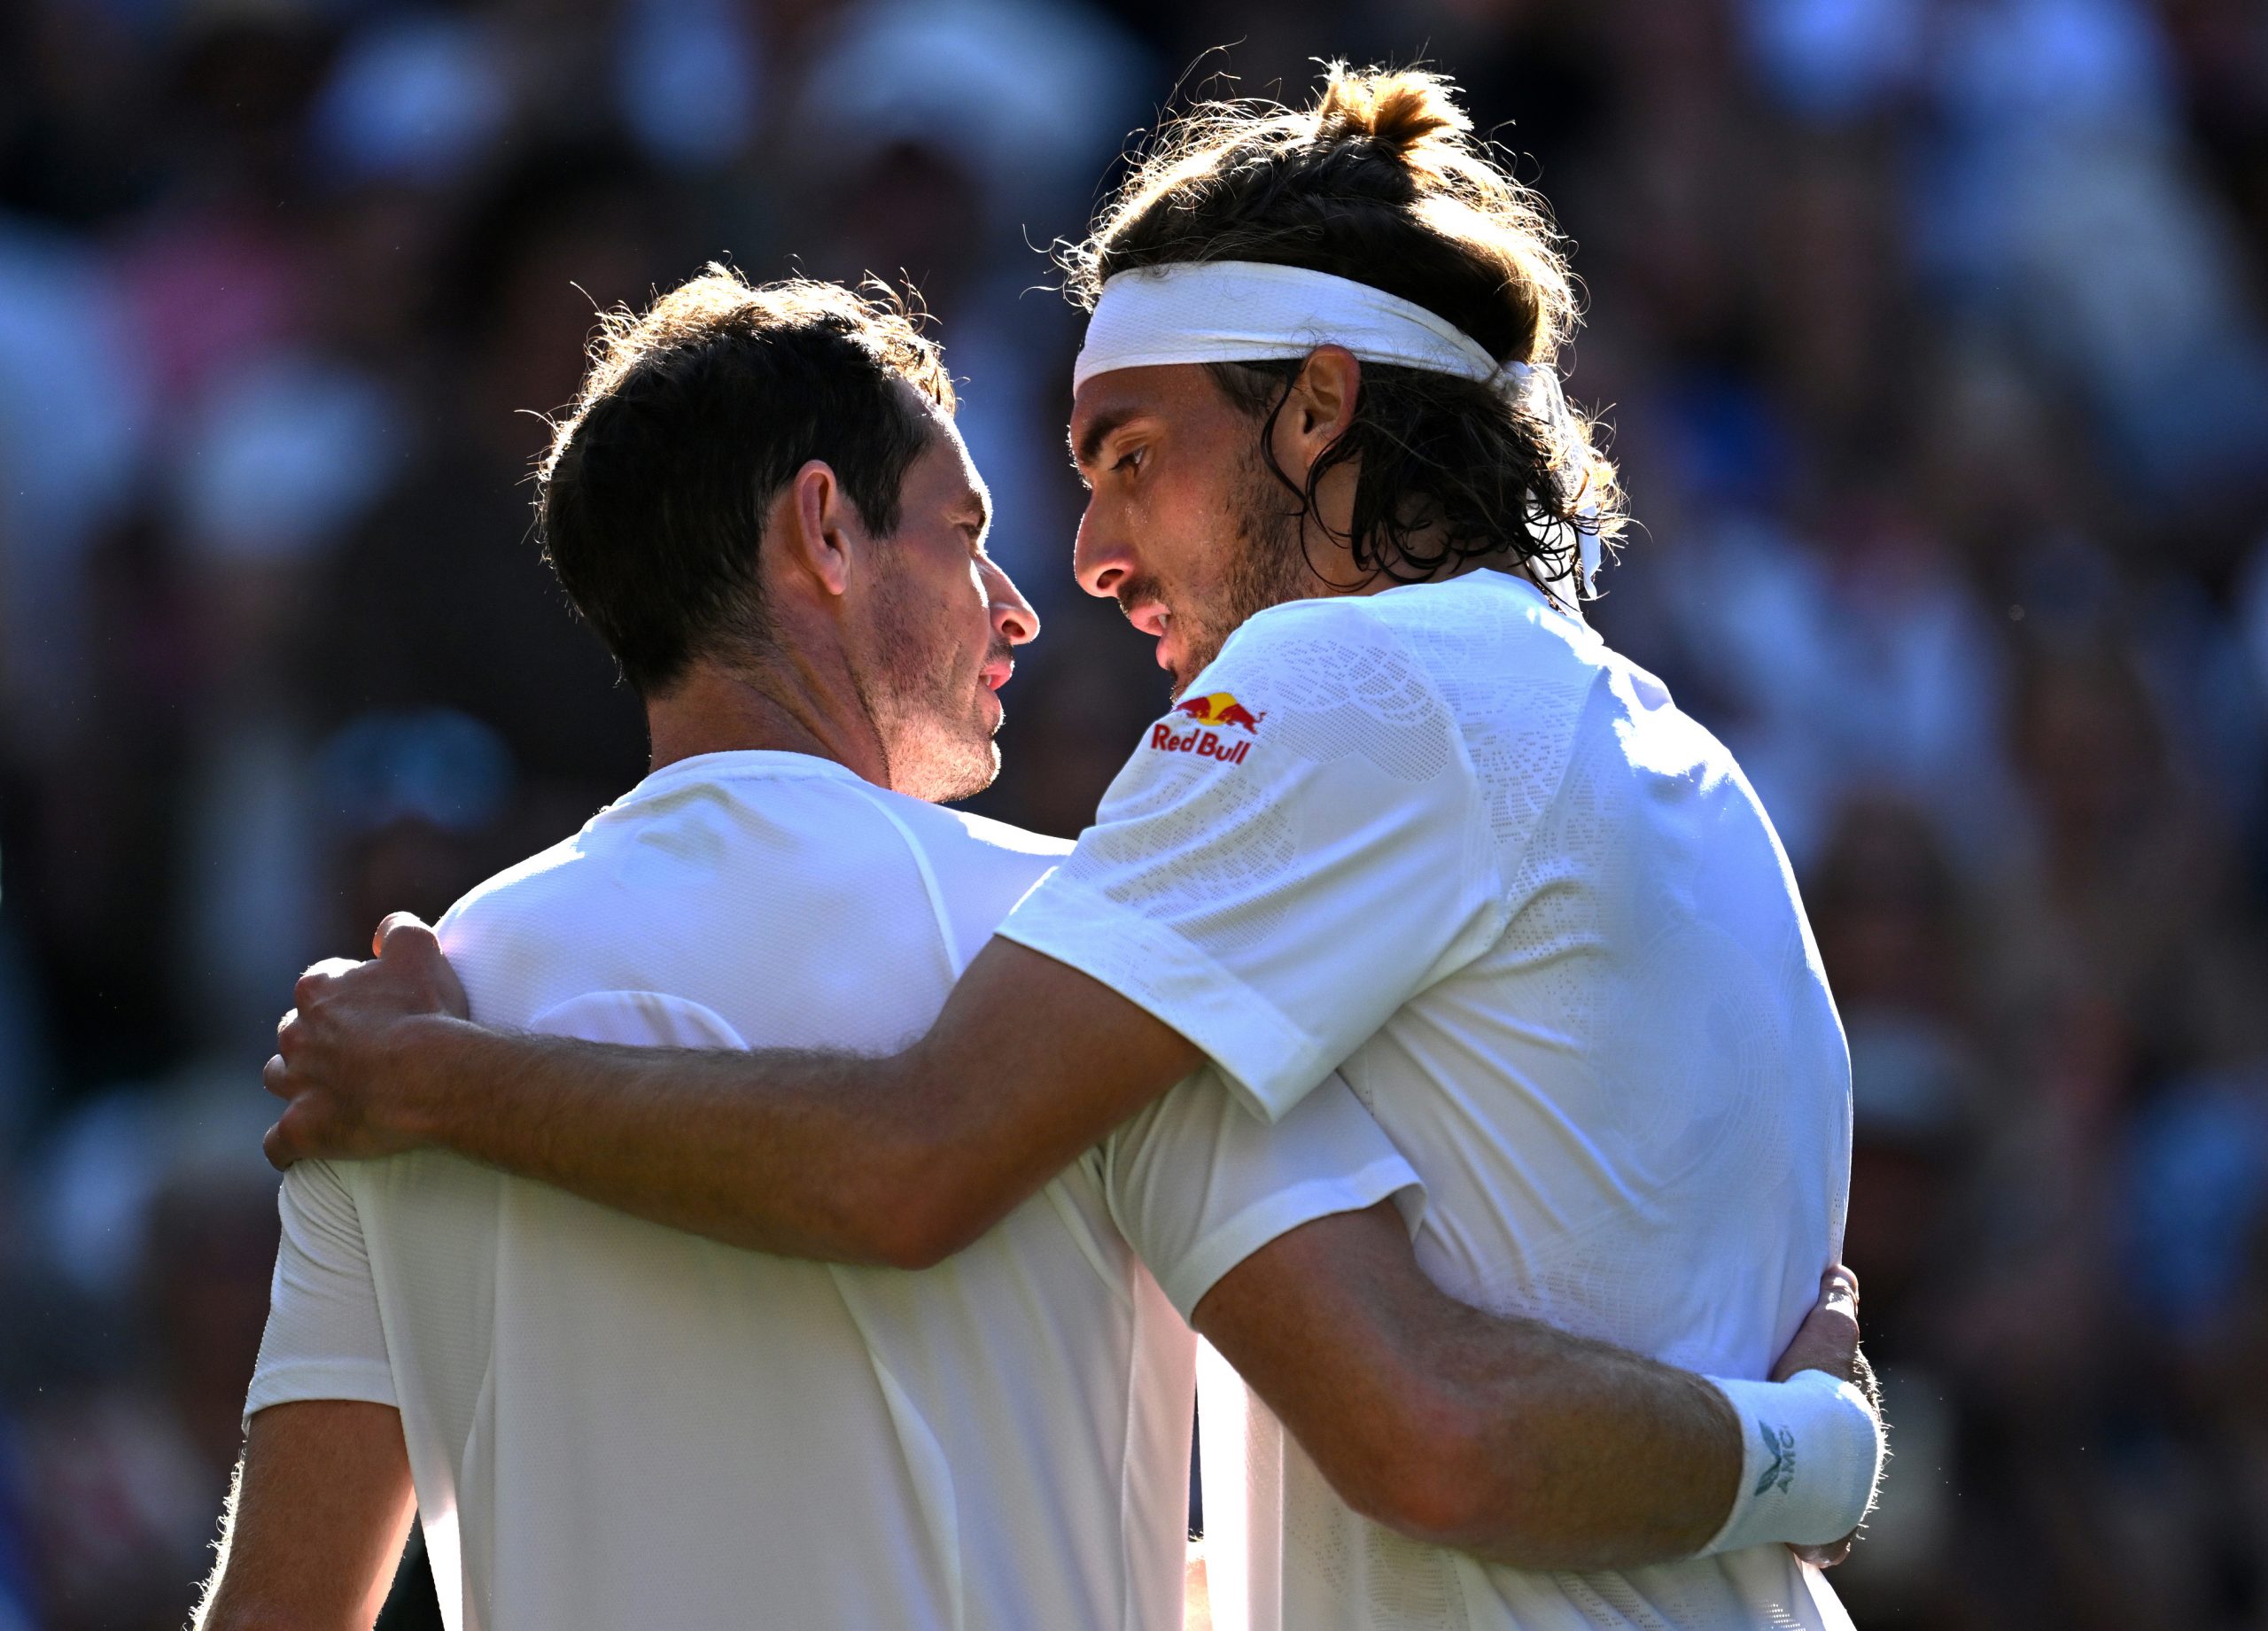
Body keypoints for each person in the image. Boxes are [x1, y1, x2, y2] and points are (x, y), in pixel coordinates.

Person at [260, 66, 1876, 1631]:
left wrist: (445, 1084)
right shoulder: (1684, 765)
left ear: (1318, 409)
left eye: (1129, 458)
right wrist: (1806, 1442)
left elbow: (923, 1152)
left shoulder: (1339, 678)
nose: (1085, 561)